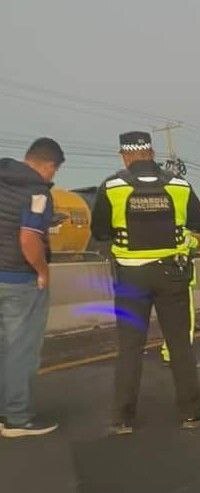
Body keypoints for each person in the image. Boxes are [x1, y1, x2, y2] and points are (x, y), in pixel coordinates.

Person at [90, 131, 200, 435]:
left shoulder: (112, 186)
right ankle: (192, 414)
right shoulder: (180, 185)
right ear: (152, 152)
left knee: (130, 347)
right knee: (180, 344)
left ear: (125, 155)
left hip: (130, 277)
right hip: (172, 275)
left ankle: (123, 419)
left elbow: (100, 232)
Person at [0, 138, 64, 438]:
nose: (52, 178)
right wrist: (42, 271)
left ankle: (4, 412)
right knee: (21, 350)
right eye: (54, 171)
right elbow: (28, 238)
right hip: (18, 280)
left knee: (3, 348)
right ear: (49, 165)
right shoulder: (38, 192)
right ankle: (17, 418)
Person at [159, 231, 200, 367]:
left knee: (171, 320)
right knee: (185, 322)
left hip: (165, 279)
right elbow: (194, 244)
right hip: (180, 280)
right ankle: (182, 358)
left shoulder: (162, 230)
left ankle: (169, 354)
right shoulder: (183, 232)